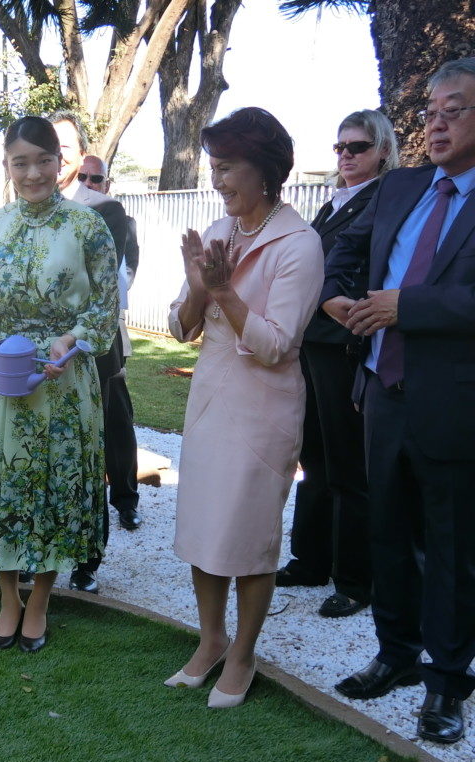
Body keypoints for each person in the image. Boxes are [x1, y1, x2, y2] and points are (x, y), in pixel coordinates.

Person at [322, 58, 475, 744]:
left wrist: (403, 306)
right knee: (385, 529)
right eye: (430, 111)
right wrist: (345, 304)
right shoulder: (401, 188)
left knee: (451, 549)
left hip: (455, 404)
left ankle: (446, 685)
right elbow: (343, 259)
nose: (436, 122)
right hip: (381, 393)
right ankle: (395, 654)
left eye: (455, 109)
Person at [167, 107, 323, 707]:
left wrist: (226, 292)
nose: (217, 180)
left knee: (250, 539)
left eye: (227, 167)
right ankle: (210, 641)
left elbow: (277, 345)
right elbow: (182, 328)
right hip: (210, 403)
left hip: (263, 413)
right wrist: (201, 284)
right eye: (214, 167)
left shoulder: (299, 244)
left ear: (264, 170)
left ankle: (242, 654)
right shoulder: (216, 231)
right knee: (206, 528)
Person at [0, 116, 118, 652]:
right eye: (20, 163)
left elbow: (104, 306)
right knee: (5, 484)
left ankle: (43, 600)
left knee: (55, 487)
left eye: (43, 160)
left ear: (61, 162)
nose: (33, 173)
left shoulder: (87, 226)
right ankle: (9, 600)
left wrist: (71, 341)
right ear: (7, 167)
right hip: (4, 379)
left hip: (64, 381)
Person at [277, 110, 399, 618]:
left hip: (345, 344)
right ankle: (311, 559)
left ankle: (354, 578)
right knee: (317, 458)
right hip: (313, 341)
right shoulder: (333, 204)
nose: (347, 156)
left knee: (348, 464)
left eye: (359, 147)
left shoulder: (386, 199)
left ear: (383, 151)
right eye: (340, 148)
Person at [48, 111, 136, 595]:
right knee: (40, 453)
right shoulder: (19, 210)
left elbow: (101, 295)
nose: (55, 157)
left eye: (64, 148)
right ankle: (36, 549)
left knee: (85, 454)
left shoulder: (104, 211)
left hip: (84, 354)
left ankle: (85, 557)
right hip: (33, 357)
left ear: (79, 154)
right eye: (49, 145)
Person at [78, 153, 142, 531]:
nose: (88, 183)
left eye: (96, 178)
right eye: (82, 176)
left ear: (107, 183)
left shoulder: (120, 220)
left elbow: (124, 276)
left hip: (109, 330)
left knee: (117, 418)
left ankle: (125, 498)